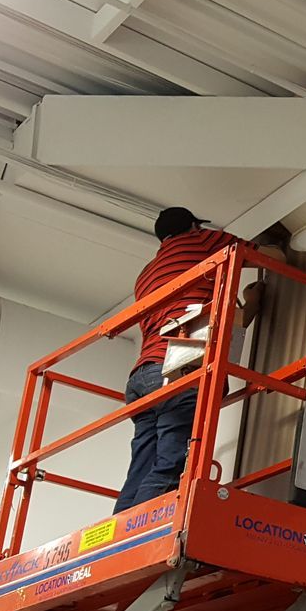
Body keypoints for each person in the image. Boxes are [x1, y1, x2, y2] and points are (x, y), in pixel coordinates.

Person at [114, 207, 252, 512]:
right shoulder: (198, 240)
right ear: (193, 226)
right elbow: (268, 256)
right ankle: (142, 530)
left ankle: (120, 529)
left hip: (142, 377)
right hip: (176, 368)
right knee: (171, 464)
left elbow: (201, 322)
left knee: (140, 469)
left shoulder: (145, 275)